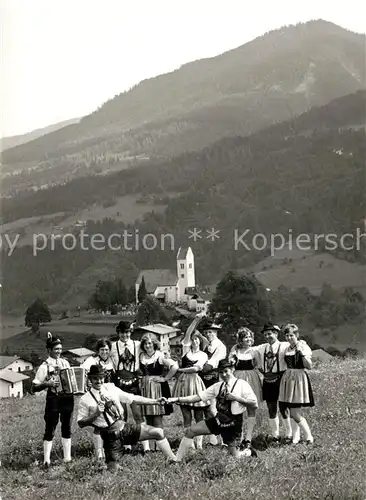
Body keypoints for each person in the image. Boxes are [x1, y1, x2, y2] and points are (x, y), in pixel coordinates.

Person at [77, 365, 176, 470]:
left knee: (158, 432)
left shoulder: (111, 388)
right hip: (110, 436)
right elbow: (80, 423)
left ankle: (173, 460)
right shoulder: (85, 399)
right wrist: (96, 414)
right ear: (90, 379)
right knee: (113, 470)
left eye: (101, 377)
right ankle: (109, 465)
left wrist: (155, 401)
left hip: (124, 428)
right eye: (95, 378)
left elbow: (133, 398)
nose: (99, 381)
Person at [170, 359, 258, 461]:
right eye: (221, 372)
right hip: (218, 420)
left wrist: (236, 398)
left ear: (232, 369)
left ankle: (248, 452)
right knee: (190, 431)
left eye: (226, 371)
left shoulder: (242, 384)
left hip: (233, 424)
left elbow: (254, 404)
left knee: (235, 456)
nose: (224, 374)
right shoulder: (218, 386)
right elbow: (197, 397)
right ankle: (177, 460)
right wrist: (176, 399)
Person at [32, 333, 74, 467]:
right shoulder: (44, 367)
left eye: (60, 349)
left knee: (66, 427)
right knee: (50, 428)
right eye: (56, 349)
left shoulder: (65, 362)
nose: (59, 351)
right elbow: (34, 388)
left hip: (67, 398)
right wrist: (47, 384)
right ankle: (46, 460)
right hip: (53, 399)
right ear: (49, 350)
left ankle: (67, 458)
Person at [171, 314, 209, 450]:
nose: (195, 342)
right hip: (183, 384)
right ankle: (189, 444)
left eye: (197, 339)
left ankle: (199, 443)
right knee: (186, 416)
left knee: (199, 415)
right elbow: (187, 333)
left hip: (195, 383)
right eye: (193, 339)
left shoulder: (203, 355)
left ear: (200, 341)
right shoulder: (186, 350)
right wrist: (196, 320)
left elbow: (196, 368)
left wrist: (180, 369)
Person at [254, 323, 292, 442]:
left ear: (276, 333)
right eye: (265, 335)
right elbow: (247, 349)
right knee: (271, 408)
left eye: (270, 334)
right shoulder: (261, 348)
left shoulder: (285, 345)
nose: (267, 336)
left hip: (281, 378)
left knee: (283, 407)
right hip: (268, 380)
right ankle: (275, 436)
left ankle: (288, 434)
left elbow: (299, 343)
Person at [139, 333, 178, 450]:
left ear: (154, 344)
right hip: (145, 387)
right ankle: (151, 448)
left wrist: (165, 378)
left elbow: (174, 366)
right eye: (145, 343)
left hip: (157, 388)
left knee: (157, 418)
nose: (148, 346)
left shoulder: (160, 355)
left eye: (150, 343)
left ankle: (161, 446)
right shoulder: (141, 356)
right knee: (148, 418)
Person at [110, 320, 143, 452]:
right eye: (122, 332)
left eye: (127, 332)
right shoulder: (113, 346)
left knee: (138, 414)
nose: (125, 335)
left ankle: (143, 443)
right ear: (118, 333)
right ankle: (126, 444)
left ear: (131, 332)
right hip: (119, 381)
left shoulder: (137, 345)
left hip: (134, 381)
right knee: (122, 414)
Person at [278, 324, 314, 444]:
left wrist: (300, 351)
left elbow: (309, 366)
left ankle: (309, 436)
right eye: (287, 335)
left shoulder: (303, 346)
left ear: (297, 335)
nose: (289, 338)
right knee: (291, 409)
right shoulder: (287, 348)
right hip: (288, 379)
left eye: (291, 335)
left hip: (299, 379)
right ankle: (296, 437)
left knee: (294, 412)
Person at [81, 338, 116, 459]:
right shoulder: (92, 360)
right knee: (99, 423)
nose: (104, 352)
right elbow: (83, 372)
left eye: (107, 350)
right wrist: (87, 386)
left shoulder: (112, 360)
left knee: (115, 419)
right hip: (97, 392)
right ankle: (99, 452)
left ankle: (112, 447)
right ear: (98, 350)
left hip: (111, 392)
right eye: (102, 350)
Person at [228, 327, 262, 450]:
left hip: (251, 379)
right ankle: (238, 437)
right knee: (237, 408)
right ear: (240, 340)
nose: (248, 339)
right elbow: (230, 366)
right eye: (245, 337)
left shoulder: (254, 351)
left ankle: (248, 438)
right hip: (237, 378)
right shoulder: (234, 350)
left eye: (249, 337)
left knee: (251, 407)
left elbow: (258, 365)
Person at [196, 317, 227, 446]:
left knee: (213, 409)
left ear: (216, 332)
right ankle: (210, 439)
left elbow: (211, 364)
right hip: (203, 379)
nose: (208, 334)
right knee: (204, 408)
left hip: (213, 378)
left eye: (211, 332)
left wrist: (195, 368)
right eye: (207, 332)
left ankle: (222, 438)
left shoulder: (220, 346)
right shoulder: (205, 345)